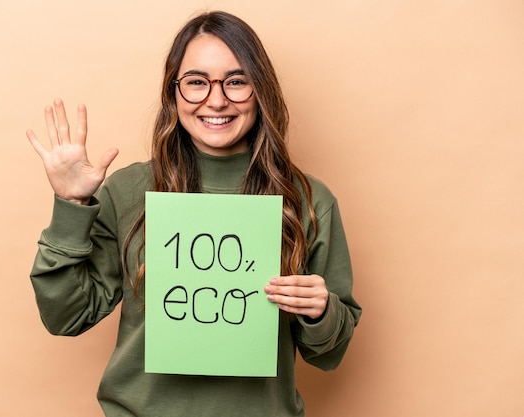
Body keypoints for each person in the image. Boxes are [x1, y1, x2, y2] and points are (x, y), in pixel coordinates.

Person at [27, 10, 361, 417]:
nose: (216, 99)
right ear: (174, 93)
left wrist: (321, 310)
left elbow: (330, 354)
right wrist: (72, 206)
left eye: (236, 82)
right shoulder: (129, 191)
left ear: (261, 92)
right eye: (197, 82)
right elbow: (66, 316)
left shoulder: (308, 201)